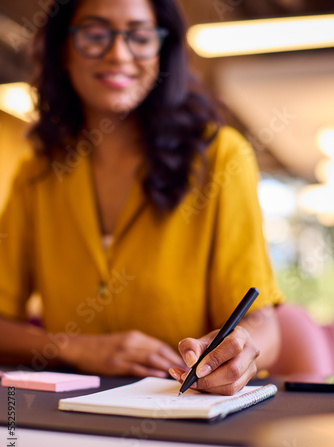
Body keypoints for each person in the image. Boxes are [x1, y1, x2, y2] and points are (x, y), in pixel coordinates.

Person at [0, 0, 283, 395]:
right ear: (64, 50)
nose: (119, 54)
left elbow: (264, 326)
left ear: (161, 51)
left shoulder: (220, 157)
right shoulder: (38, 173)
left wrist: (238, 352)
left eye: (140, 36)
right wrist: (77, 348)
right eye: (96, 34)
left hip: (185, 411)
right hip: (70, 416)